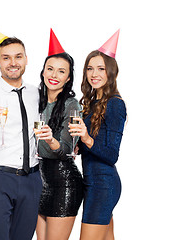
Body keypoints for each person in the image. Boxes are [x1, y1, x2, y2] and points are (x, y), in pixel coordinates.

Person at [0, 25, 42, 240]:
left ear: (26, 59)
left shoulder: (37, 93)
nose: (13, 63)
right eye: (6, 58)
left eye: (18, 57)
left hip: (32, 179)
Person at [69, 30, 127, 240]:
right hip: (92, 182)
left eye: (101, 69)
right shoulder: (93, 104)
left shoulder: (115, 104)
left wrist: (86, 138)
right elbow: (95, 145)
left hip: (103, 185)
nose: (94, 73)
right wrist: (78, 145)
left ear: (111, 72)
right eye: (90, 68)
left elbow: (112, 155)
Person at [35, 29, 83, 240]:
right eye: (50, 69)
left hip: (64, 182)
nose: (54, 75)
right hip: (38, 180)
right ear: (43, 72)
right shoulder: (33, 99)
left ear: (68, 77)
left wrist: (50, 139)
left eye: (61, 71)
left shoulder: (72, 105)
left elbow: (66, 151)